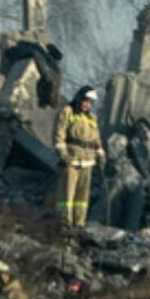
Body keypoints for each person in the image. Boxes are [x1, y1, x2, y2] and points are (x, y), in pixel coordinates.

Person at [53, 85, 104, 227]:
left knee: (82, 198)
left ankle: (79, 223)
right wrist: (62, 154)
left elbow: (96, 139)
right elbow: (59, 134)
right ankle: (64, 223)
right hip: (71, 160)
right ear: (79, 98)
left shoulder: (92, 118)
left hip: (87, 162)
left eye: (90, 102)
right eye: (85, 100)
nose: (87, 104)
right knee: (66, 194)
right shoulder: (67, 112)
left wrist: (100, 153)